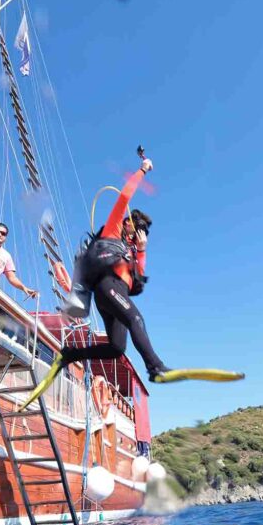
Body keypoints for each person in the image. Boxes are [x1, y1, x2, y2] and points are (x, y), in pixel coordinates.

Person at [55, 158, 169, 382]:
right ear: (127, 222)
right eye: (138, 226)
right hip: (108, 286)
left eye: (144, 230)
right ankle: (155, 366)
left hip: (117, 294)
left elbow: (136, 283)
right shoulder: (112, 231)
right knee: (136, 319)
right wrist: (142, 170)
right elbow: (125, 196)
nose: (140, 231)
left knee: (117, 348)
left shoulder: (132, 251)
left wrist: (142, 250)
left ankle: (71, 355)